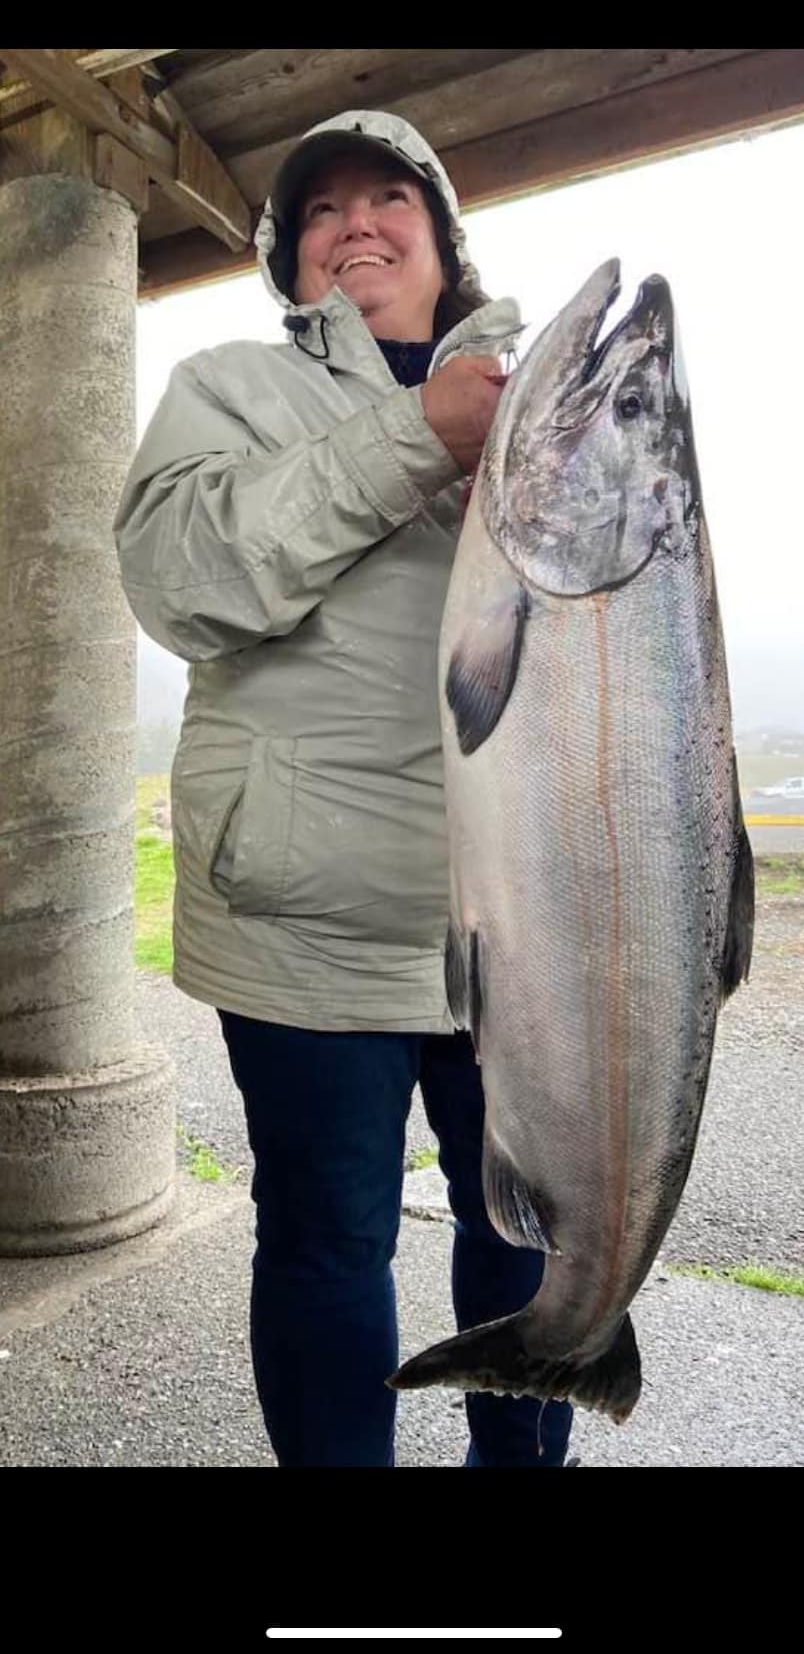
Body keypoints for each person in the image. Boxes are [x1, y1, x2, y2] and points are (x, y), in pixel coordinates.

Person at [114, 108, 574, 1468]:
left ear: (443, 239)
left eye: (390, 200)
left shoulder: (554, 391)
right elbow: (183, 583)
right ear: (286, 255)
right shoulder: (226, 389)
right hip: (312, 922)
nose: (356, 224)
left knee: (529, 1243)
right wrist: (417, 434)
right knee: (325, 1245)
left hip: (529, 926)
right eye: (321, 210)